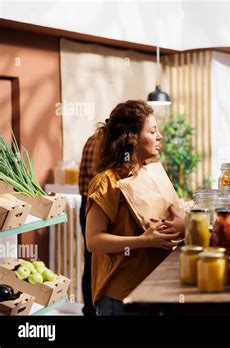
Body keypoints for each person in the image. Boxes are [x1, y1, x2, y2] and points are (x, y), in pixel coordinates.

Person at [85, 100, 185, 315]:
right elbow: (93, 240)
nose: (159, 137)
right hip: (120, 298)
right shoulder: (107, 181)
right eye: (152, 131)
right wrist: (143, 241)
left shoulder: (150, 175)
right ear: (132, 138)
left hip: (152, 289)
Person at [78, 131, 99, 316]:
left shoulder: (92, 137)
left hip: (86, 203)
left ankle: (89, 310)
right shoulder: (103, 142)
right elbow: (99, 180)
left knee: (90, 259)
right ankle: (92, 310)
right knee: (94, 260)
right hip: (94, 205)